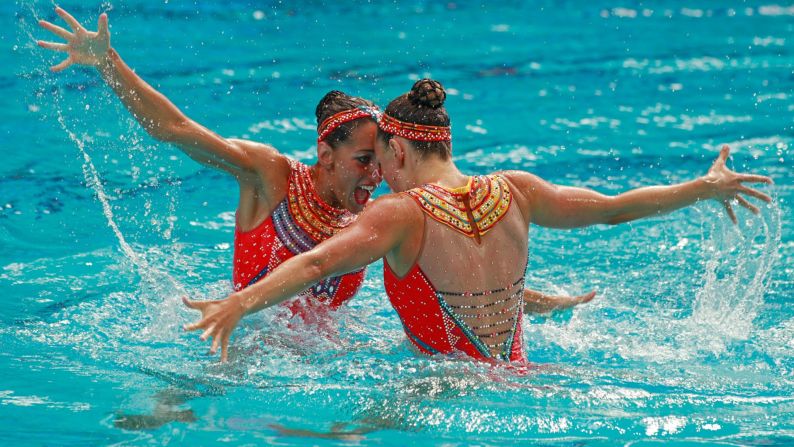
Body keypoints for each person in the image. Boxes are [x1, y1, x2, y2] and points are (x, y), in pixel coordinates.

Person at [37, 9, 591, 323]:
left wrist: (536, 301)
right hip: (239, 338)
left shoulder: (381, 212)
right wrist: (107, 63)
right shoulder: (269, 177)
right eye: (363, 161)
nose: (376, 175)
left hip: (325, 357)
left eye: (382, 161)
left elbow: (446, 277)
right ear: (325, 154)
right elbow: (178, 130)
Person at [183, 79, 773, 363]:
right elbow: (614, 208)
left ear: (402, 151)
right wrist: (702, 186)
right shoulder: (514, 190)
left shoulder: (398, 214)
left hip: (437, 391)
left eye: (380, 158)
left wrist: (238, 304)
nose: (377, 175)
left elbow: (315, 262)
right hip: (524, 376)